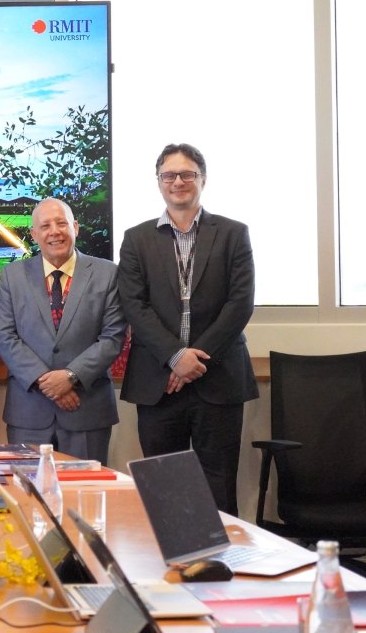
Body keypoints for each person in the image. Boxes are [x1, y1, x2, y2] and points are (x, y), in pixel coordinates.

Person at [118, 143, 256, 514]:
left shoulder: (233, 233)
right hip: (158, 383)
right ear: (159, 182)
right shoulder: (136, 239)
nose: (177, 181)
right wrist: (175, 356)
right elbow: (135, 305)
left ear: (202, 179)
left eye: (187, 174)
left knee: (219, 484)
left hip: (219, 379)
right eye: (169, 175)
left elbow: (239, 304)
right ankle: (171, 567)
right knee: (164, 486)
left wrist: (194, 360)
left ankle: (223, 566)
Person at [0, 197, 125, 463]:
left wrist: (70, 377)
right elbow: (5, 335)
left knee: (86, 499)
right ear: (34, 234)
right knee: (28, 497)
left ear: (75, 227)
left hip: (86, 409)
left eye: (61, 223)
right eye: (45, 226)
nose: (54, 231)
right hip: (29, 413)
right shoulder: (12, 275)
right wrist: (47, 381)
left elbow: (113, 337)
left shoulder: (107, 273)